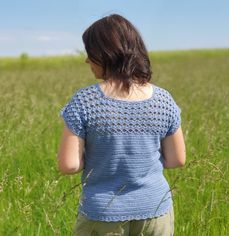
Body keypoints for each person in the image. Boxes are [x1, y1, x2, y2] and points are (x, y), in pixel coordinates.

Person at [57, 14, 186, 236]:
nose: (87, 61)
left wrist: (104, 156)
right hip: (155, 212)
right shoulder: (164, 100)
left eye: (90, 53)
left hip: (103, 215)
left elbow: (68, 165)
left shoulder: (84, 101)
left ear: (105, 54)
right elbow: (177, 160)